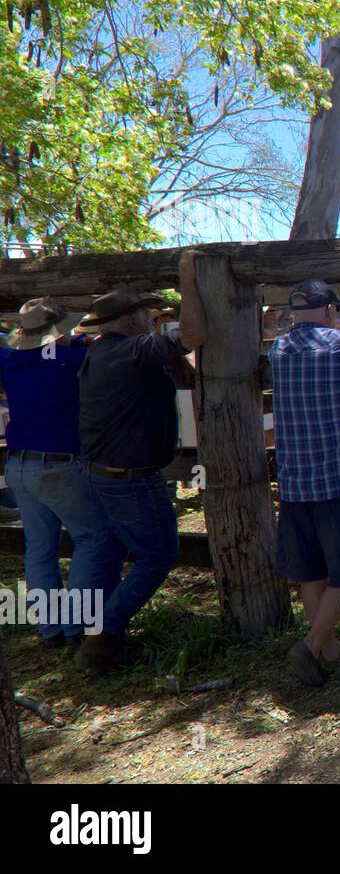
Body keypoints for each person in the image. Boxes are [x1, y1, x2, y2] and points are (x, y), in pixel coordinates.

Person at [74, 252, 207, 674]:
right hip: (130, 478)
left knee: (108, 554)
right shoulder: (132, 351)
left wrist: (166, 349)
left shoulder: (103, 354)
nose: (153, 320)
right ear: (132, 321)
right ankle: (104, 634)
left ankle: (93, 633)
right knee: (160, 555)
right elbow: (196, 333)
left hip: (101, 474)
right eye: (148, 315)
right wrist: (188, 276)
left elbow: (184, 375)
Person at [267, 279, 340, 687]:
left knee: (312, 571)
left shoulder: (278, 350)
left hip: (295, 482)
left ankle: (327, 650)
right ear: (332, 310)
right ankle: (310, 644)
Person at [0, 299, 108, 648]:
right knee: (90, 538)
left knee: (39, 547)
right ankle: (78, 625)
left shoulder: (10, 360)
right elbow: (91, 347)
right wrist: (79, 342)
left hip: (18, 464)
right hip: (59, 465)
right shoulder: (72, 360)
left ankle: (50, 627)